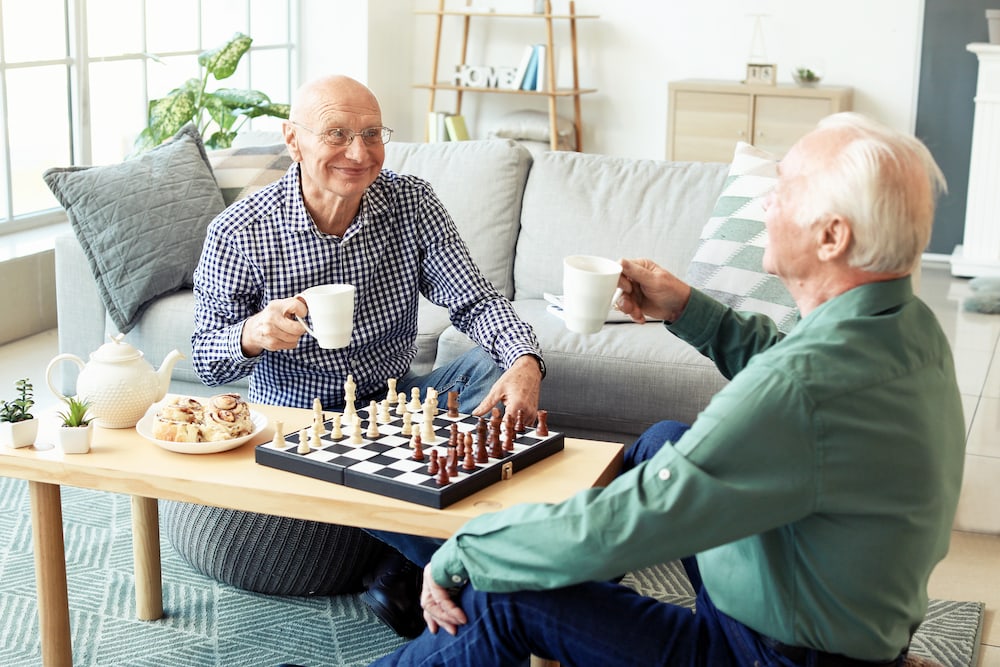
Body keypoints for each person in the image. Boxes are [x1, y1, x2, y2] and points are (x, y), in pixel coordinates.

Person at [364, 112, 965, 666]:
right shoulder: (906, 328)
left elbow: (635, 517)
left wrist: (470, 548)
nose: (767, 202)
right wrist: (688, 309)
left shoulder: (801, 389)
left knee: (509, 597)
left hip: (774, 655)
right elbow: (795, 374)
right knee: (663, 441)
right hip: (854, 622)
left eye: (784, 189)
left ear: (832, 237)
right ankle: (574, 584)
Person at [180, 74, 546, 637]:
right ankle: (487, 564)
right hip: (300, 422)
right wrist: (253, 333)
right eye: (337, 133)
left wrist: (525, 361)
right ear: (293, 140)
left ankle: (407, 564)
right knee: (356, 461)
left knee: (502, 368)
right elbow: (207, 358)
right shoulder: (240, 230)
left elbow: (475, 300)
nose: (359, 152)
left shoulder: (411, 203)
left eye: (372, 133)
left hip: (395, 402)